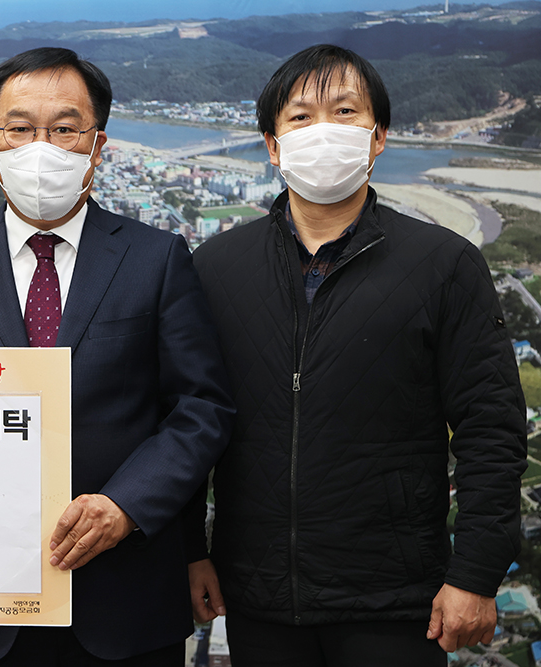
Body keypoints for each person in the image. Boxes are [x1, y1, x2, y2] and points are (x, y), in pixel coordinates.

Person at [0, 47, 234, 665]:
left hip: (124, 591)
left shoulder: (156, 258)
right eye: (20, 129)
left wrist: (127, 505)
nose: (39, 147)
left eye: (64, 129)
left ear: (97, 145)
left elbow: (199, 406)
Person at [192, 44, 527, 665]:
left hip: (396, 598)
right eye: (300, 117)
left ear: (378, 139)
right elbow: (188, 417)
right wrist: (192, 548)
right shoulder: (215, 267)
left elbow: (491, 428)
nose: (324, 132)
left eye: (345, 112)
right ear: (272, 145)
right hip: (259, 595)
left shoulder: (444, 265)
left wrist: (477, 573)